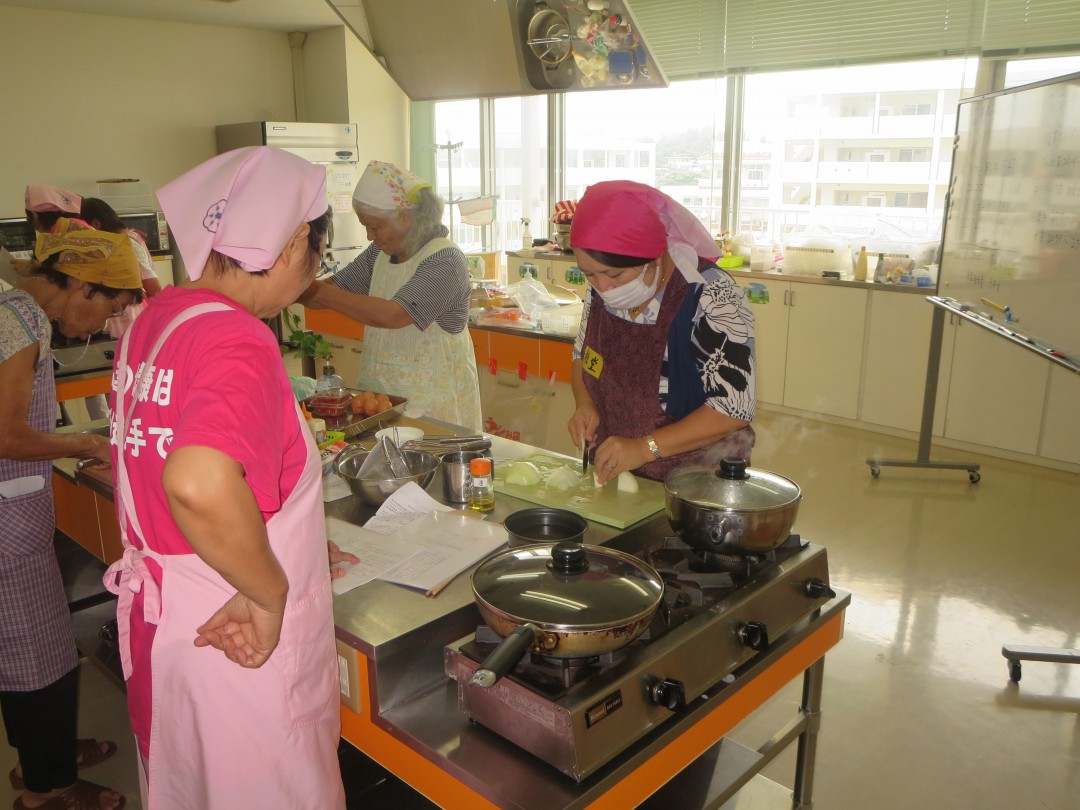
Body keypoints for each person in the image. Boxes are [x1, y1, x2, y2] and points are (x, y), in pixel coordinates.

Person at [104, 146, 347, 809]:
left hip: (170, 633)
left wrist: (292, 548)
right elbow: (199, 481)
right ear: (296, 238)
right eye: (317, 256)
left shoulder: (154, 319)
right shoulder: (239, 340)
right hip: (235, 636)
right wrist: (267, 589)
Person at [1, 224, 143, 810]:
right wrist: (85, 447)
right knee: (33, 651)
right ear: (82, 285)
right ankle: (48, 788)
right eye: (107, 311)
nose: (99, 329)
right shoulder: (22, 323)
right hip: (7, 524)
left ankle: (46, 753)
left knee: (26, 645)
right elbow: (7, 433)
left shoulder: (13, 309)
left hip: (14, 510)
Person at [566, 180, 757, 485]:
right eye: (589, 274)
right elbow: (582, 356)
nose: (603, 288)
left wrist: (644, 447)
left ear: (654, 257)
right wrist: (584, 404)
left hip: (695, 480)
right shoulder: (602, 291)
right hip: (619, 470)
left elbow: (732, 409)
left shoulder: (709, 294)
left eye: (614, 274)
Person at [299, 160, 482, 430]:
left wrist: (314, 289)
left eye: (375, 226)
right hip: (379, 408)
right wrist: (284, 283)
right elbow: (327, 294)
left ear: (405, 217)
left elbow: (394, 314)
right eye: (365, 227)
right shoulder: (380, 255)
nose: (370, 236)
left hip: (436, 417)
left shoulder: (445, 259)